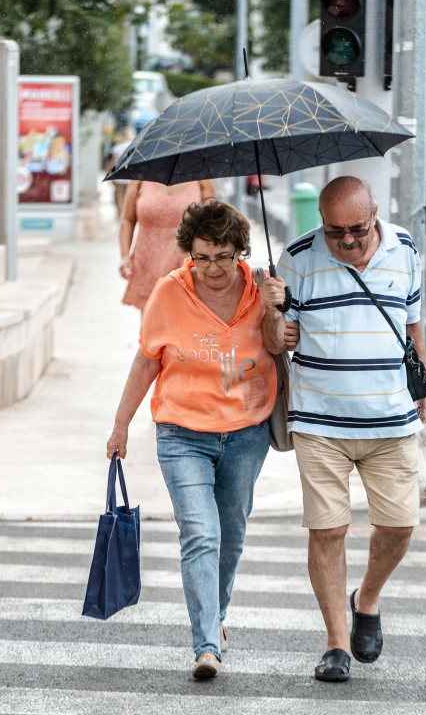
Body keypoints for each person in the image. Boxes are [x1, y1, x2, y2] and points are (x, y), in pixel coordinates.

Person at [262, 176, 426, 683]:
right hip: (320, 421)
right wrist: (272, 312)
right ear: (322, 221)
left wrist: (424, 384)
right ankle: (336, 643)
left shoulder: (405, 248)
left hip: (391, 420)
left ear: (375, 215)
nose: (347, 240)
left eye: (357, 229)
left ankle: (367, 597)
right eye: (335, 230)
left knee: (400, 525)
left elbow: (411, 325)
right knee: (328, 532)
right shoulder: (295, 259)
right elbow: (276, 343)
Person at [106, 198, 287, 680]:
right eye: (202, 256)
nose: (212, 268)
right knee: (201, 535)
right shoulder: (168, 293)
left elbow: (277, 344)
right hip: (183, 433)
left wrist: (274, 309)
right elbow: (147, 359)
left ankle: (216, 616)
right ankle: (206, 643)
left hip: (247, 433)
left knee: (231, 537)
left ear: (239, 252)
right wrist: (121, 423)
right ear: (189, 252)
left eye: (223, 256)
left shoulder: (260, 286)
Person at [118, 179, 216, 310]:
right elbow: (127, 219)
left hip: (187, 264)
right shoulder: (140, 178)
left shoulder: (200, 178)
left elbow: (212, 223)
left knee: (186, 321)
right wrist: (125, 256)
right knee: (152, 322)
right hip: (148, 264)